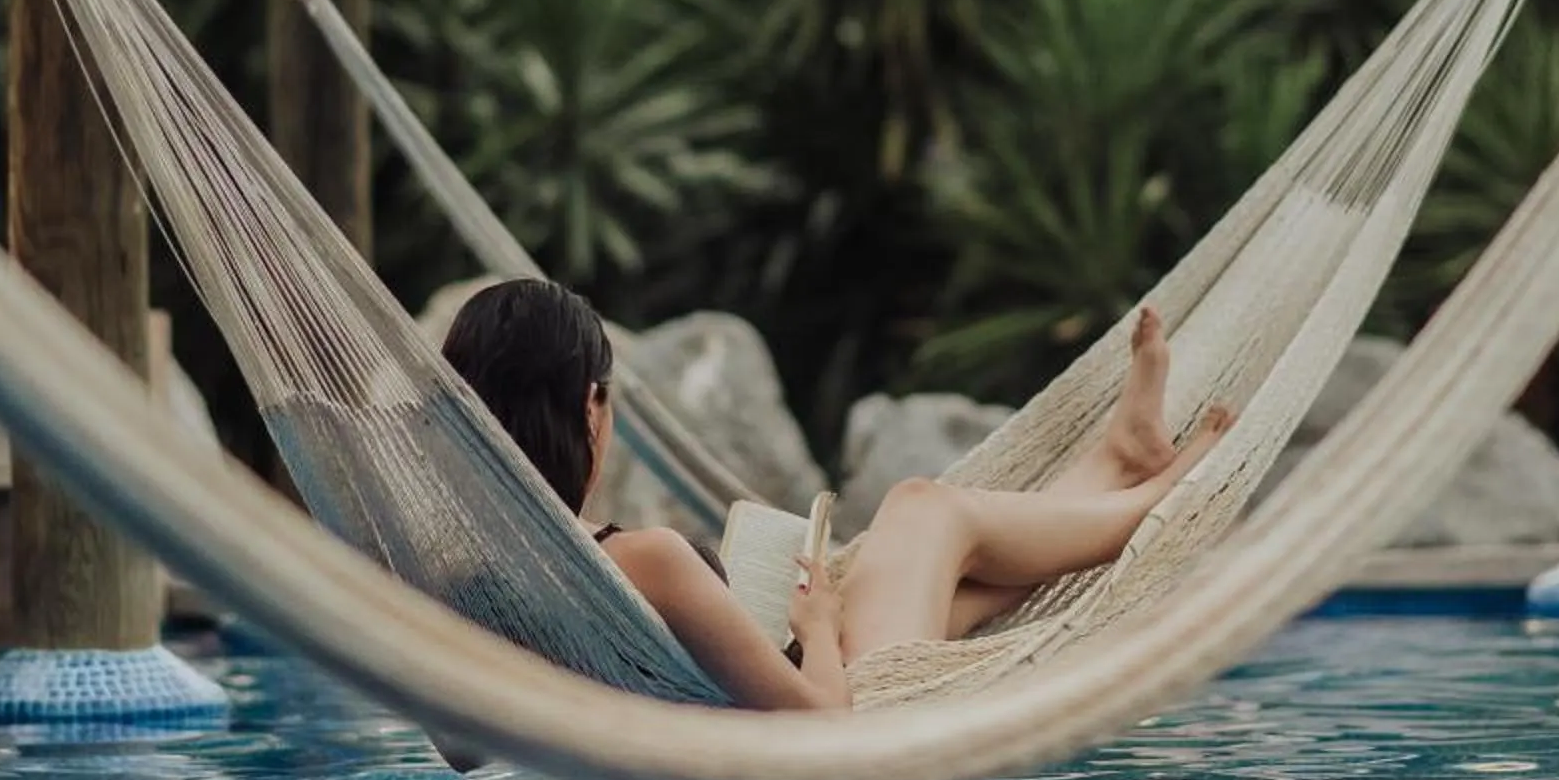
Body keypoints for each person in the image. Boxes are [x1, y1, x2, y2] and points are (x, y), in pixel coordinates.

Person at [438, 280, 1225, 712]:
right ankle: (1158, 492)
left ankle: (1116, 460)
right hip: (852, 706)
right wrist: (815, 628)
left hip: (750, 709)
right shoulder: (646, 560)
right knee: (925, 509)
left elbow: (462, 746)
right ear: (590, 408)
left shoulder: (479, 593)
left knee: (965, 579)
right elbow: (820, 723)